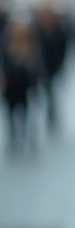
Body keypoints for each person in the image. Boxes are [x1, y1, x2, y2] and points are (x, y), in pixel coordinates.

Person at [1, 18, 43, 154]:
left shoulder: (31, 48)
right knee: (11, 114)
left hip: (25, 88)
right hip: (11, 88)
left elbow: (35, 70)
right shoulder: (6, 46)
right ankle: (14, 139)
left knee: (25, 113)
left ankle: (23, 137)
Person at [35, 4, 68, 132]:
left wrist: (60, 65)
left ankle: (51, 115)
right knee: (41, 93)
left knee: (51, 93)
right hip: (39, 69)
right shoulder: (37, 32)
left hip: (53, 68)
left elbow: (63, 50)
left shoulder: (59, 32)